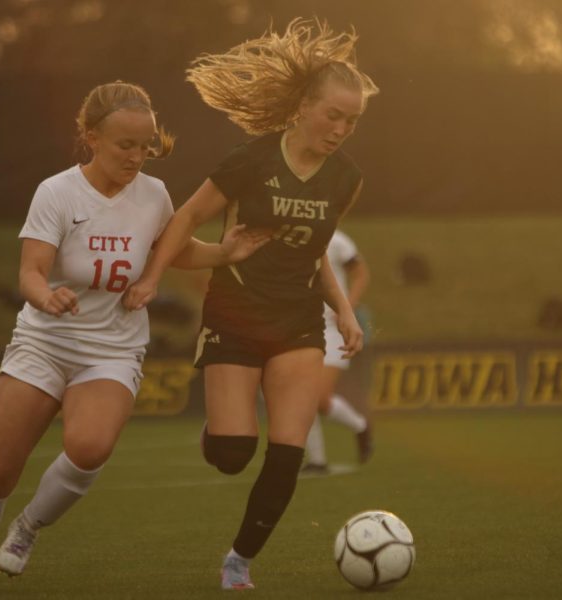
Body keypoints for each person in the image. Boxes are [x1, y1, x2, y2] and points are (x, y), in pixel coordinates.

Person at [0, 81, 267, 596]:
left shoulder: (153, 193)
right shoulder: (56, 192)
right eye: (125, 144)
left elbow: (171, 247)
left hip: (112, 348)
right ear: (91, 137)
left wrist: (223, 253)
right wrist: (46, 297)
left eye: (146, 145)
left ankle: (29, 527)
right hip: (44, 342)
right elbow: (31, 273)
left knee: (90, 446)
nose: (137, 156)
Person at [123, 18, 378, 590]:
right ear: (303, 108)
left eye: (351, 121)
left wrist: (340, 310)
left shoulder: (345, 178)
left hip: (298, 323)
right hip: (235, 316)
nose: (340, 129)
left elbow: (316, 254)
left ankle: (239, 560)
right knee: (234, 452)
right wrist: (153, 279)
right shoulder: (252, 160)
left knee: (287, 453)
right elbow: (187, 216)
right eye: (332, 115)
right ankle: (217, 433)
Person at [302, 229, 373, 474]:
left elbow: (361, 273)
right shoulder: (287, 236)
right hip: (299, 328)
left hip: (332, 330)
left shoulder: (337, 239)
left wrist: (347, 307)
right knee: (303, 396)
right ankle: (317, 461)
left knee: (319, 398)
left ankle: (360, 425)